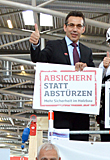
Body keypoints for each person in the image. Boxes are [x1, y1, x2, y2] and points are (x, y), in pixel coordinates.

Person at [29, 11, 95, 141]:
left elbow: (94, 76)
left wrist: (87, 69)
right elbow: (38, 58)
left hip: (81, 112)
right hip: (60, 111)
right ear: (65, 27)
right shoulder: (53, 46)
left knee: (81, 145)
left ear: (83, 29)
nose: (74, 29)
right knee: (60, 146)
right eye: (71, 25)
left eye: (78, 26)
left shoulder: (87, 51)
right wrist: (35, 44)